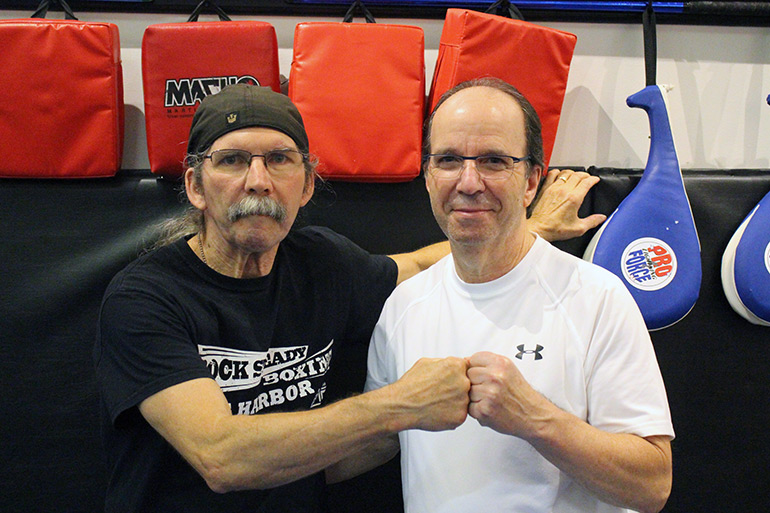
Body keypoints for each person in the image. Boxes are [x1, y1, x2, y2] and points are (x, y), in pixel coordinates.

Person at [94, 83, 603, 512]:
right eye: (231, 161)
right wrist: (404, 403)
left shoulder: (323, 264)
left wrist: (524, 225)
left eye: (280, 160)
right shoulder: (145, 298)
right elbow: (222, 458)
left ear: (308, 184)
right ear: (196, 186)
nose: (258, 181)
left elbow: (422, 265)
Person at [364, 78, 674, 513]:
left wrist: (534, 418)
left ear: (531, 181)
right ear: (430, 177)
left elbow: (652, 485)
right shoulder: (402, 306)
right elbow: (370, 446)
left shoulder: (596, 298)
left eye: (493, 161)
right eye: (449, 160)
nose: (468, 182)